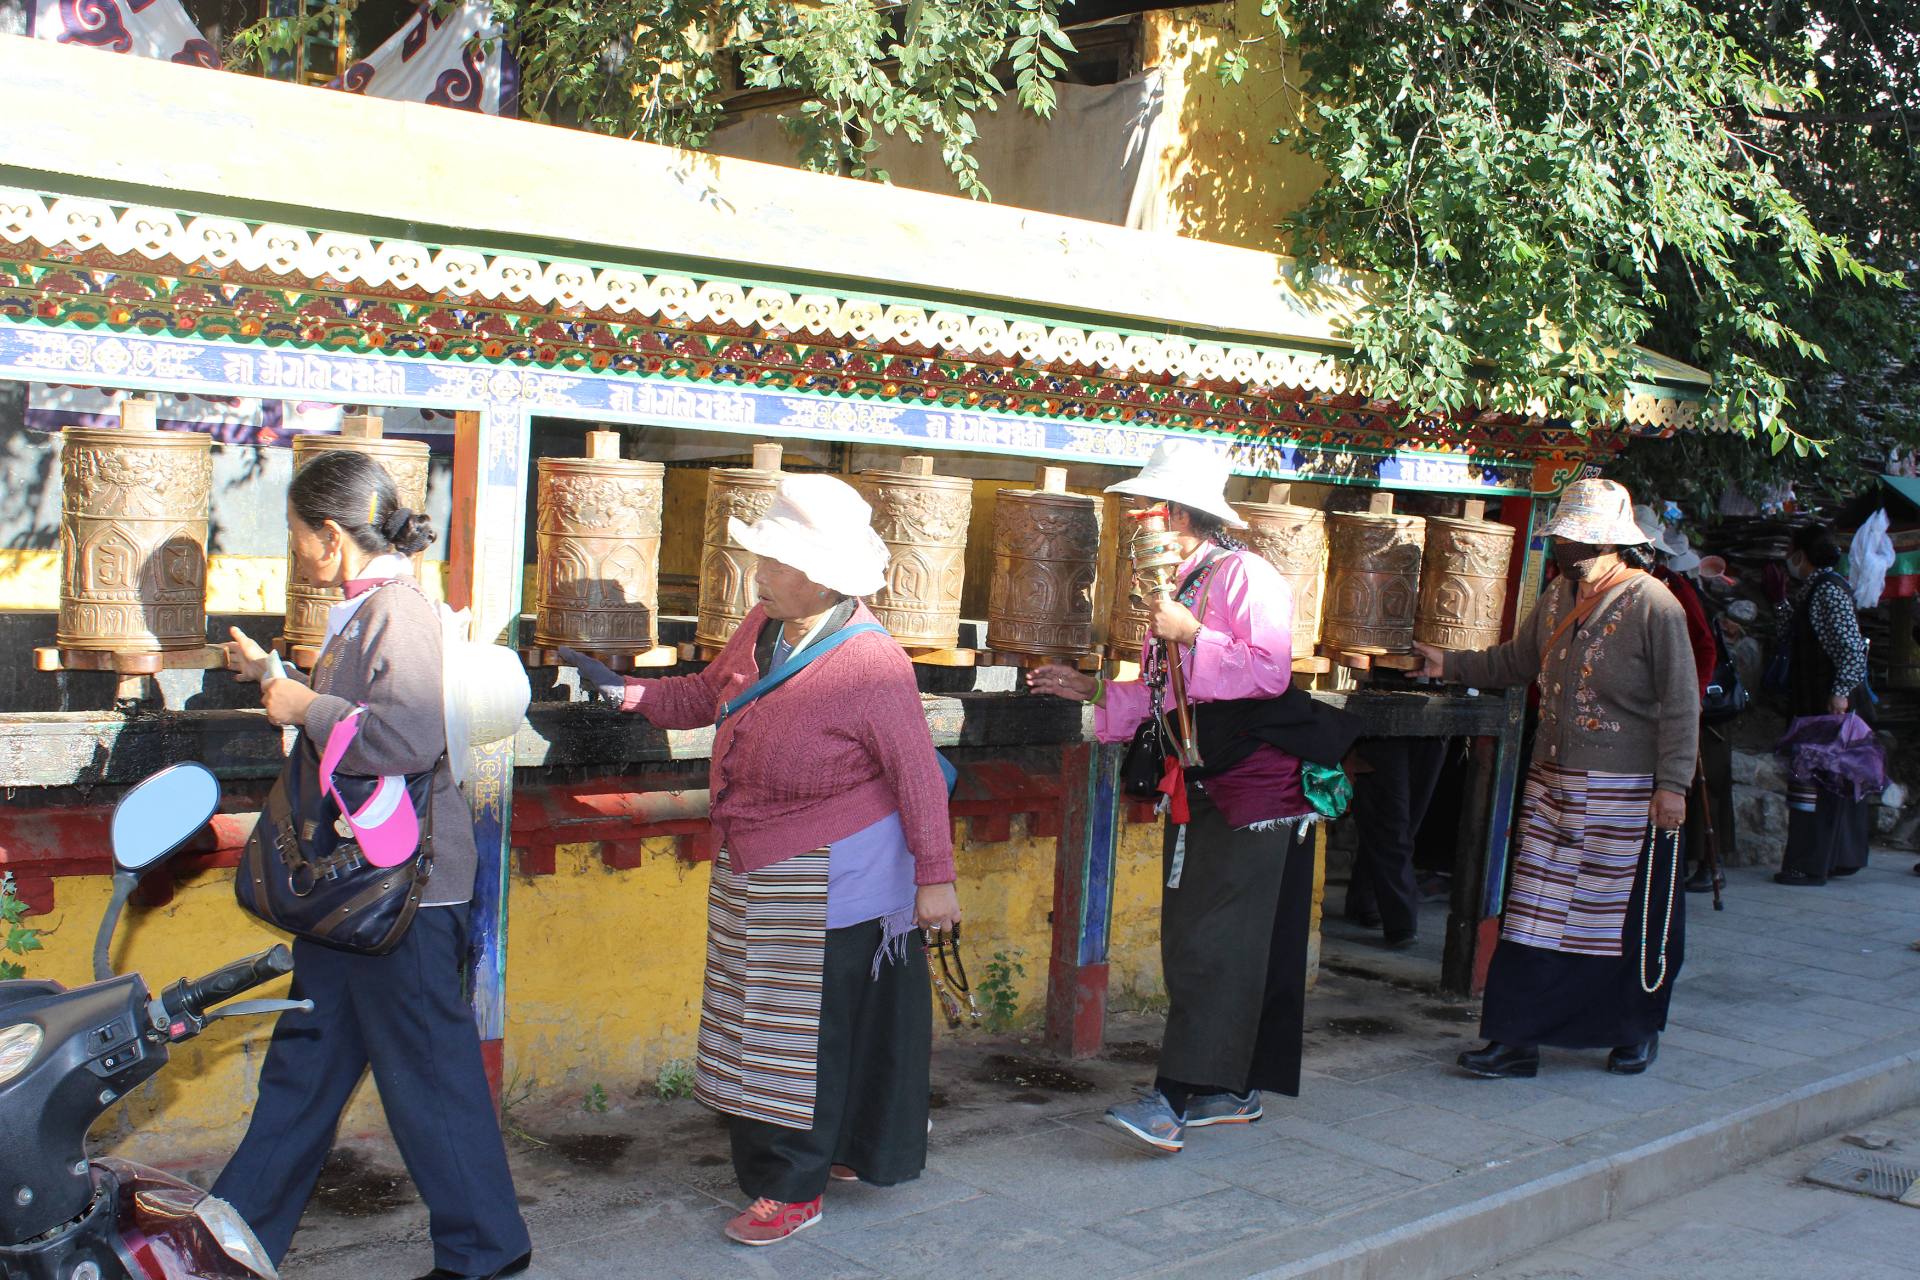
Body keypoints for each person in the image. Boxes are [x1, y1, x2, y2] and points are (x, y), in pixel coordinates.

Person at [564, 473, 958, 1247]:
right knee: (760, 1021)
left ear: (818, 574)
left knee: (794, 1037)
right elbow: (707, 696)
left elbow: (917, 774)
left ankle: (791, 1186)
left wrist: (935, 880)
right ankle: (832, 1151)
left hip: (835, 873)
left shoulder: (873, 664)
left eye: (773, 563)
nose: (759, 575)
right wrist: (623, 693)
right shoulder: (763, 627)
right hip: (756, 858)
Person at [217, 450, 532, 1280]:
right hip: (357, 892)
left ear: (329, 535)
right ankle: (231, 1244)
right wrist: (273, 677)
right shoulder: (364, 611)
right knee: (303, 1071)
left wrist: (301, 703)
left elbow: (401, 738)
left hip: (407, 895)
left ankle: (486, 1252)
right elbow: (349, 725)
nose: (295, 551)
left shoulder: (399, 610)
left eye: (296, 534)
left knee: (431, 1080)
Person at [1032, 440, 1357, 1154]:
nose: (1135, 523)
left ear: (1178, 514)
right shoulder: (1178, 585)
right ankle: (1228, 1089)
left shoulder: (1245, 576)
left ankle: (1173, 1098)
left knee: (1215, 941)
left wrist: (1192, 634)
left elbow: (1266, 674)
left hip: (1256, 788)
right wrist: (1092, 691)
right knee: (1198, 937)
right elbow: (1171, 697)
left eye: (1144, 510)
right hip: (1205, 776)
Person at [1414, 477, 1698, 1080]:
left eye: (1573, 537)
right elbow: (1517, 661)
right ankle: (1516, 1040)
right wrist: (1450, 663)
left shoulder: (1656, 606)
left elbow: (1680, 703)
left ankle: (1633, 1030)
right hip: (1554, 783)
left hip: (1627, 793)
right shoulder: (1555, 596)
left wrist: (1672, 785)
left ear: (1606, 542)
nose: (1563, 545)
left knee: (1621, 916)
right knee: (1534, 914)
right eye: (1562, 535)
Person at [1770, 524, 1873, 886]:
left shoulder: (1828, 591)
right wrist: (1779, 600)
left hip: (1825, 704)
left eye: (1792, 550)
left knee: (1816, 784)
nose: (1788, 558)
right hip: (1815, 701)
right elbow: (1793, 634)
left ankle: (1809, 864)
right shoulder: (1813, 589)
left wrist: (1841, 692)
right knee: (1831, 781)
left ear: (1803, 553)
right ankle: (1838, 858)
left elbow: (1850, 647)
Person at [1344, 737, 1448, 948]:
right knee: (1392, 822)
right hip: (1381, 725)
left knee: (1407, 822)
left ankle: (1365, 896)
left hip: (1436, 724)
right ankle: (1401, 923)